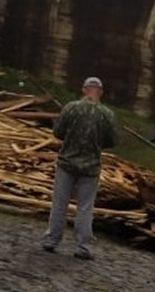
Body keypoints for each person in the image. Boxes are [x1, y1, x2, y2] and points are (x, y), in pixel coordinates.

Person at [42, 76, 117, 259]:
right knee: (85, 207)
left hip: (67, 163)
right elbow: (112, 141)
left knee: (59, 203)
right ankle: (83, 247)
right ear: (100, 92)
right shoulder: (107, 115)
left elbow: (58, 132)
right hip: (91, 167)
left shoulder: (71, 108)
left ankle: (52, 240)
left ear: (84, 89)